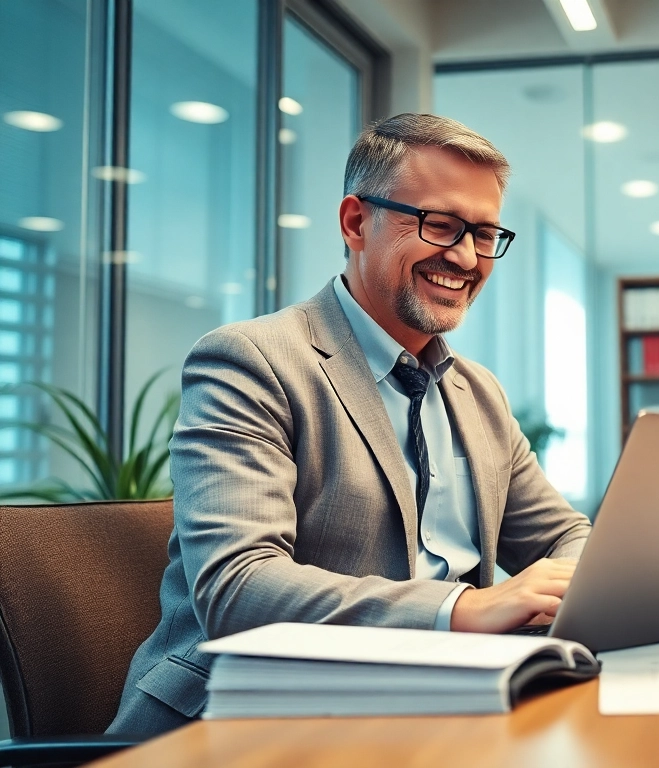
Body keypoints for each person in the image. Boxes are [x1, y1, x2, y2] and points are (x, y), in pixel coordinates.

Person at [110, 114, 591, 734]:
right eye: (440, 225)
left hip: (445, 708)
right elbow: (239, 587)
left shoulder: (478, 394)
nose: (466, 256)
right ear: (356, 222)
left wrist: (583, 587)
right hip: (253, 723)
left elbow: (565, 537)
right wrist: (463, 608)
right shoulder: (251, 361)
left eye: (485, 233)